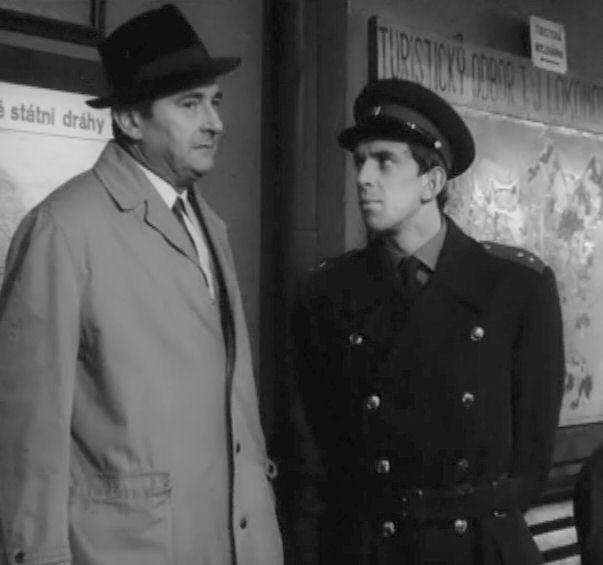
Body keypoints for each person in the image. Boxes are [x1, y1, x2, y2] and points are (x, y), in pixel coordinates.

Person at [0, 5, 282, 565]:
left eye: (215, 102)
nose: (215, 122)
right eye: (190, 104)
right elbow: (27, 434)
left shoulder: (209, 224)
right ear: (130, 120)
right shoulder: (64, 229)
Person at [283, 78, 565, 564]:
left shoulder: (517, 287)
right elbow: (312, 456)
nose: (363, 178)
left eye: (384, 161)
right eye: (359, 161)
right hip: (372, 548)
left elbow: (531, 461)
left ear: (432, 183)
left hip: (477, 548)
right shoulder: (326, 293)